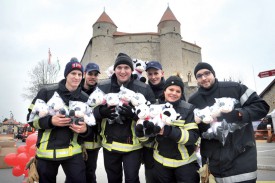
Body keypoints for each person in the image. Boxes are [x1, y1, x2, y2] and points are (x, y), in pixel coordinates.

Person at [188, 62, 270, 183]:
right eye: (199, 76)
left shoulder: (235, 88)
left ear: (213, 74)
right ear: (196, 79)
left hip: (242, 159)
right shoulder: (193, 100)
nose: (204, 78)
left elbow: (262, 107)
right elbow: (193, 129)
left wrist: (237, 114)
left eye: (207, 73)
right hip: (215, 165)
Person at [93, 53, 156, 183]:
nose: (122, 71)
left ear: (132, 70)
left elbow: (153, 116)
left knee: (132, 180)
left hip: (133, 146)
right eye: (119, 67)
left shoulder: (143, 88)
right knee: (113, 179)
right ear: (114, 69)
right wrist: (101, 112)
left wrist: (134, 116)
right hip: (109, 145)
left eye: (126, 67)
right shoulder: (103, 87)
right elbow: (89, 111)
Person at [27, 58, 90, 183]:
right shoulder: (46, 92)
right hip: (46, 154)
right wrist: (51, 121)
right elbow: (30, 119)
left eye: (79, 74)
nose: (76, 77)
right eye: (73, 73)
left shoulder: (85, 98)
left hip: (73, 153)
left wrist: (85, 130)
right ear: (66, 74)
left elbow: (91, 126)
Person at [151, 75, 200, 183]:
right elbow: (147, 137)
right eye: (171, 89)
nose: (174, 93)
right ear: (164, 91)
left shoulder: (188, 109)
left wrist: (168, 131)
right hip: (161, 164)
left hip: (185, 165)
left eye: (178, 91)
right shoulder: (155, 107)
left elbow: (192, 137)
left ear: (181, 94)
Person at [81, 62, 101, 183]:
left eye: (95, 74)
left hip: (93, 142)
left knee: (90, 173)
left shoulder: (100, 93)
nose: (93, 77)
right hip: (76, 141)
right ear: (84, 74)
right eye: (90, 74)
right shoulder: (76, 91)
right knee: (75, 174)